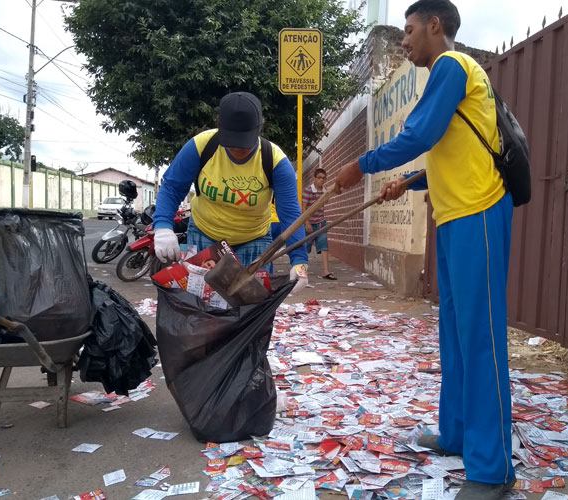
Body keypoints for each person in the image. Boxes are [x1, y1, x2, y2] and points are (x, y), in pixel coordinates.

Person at [334, 1, 514, 498]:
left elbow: (420, 134)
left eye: (410, 31)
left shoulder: (452, 66)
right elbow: (448, 148)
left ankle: (492, 470)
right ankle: (456, 434)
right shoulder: (445, 75)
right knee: (455, 333)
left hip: (479, 212)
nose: (405, 41)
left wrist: (362, 167)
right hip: (456, 217)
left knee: (480, 338)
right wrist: (410, 182)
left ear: (436, 25)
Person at [152, 92, 309, 293]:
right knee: (202, 304)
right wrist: (163, 226)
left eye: (244, 141)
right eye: (231, 141)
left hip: (254, 241)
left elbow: (290, 214)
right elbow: (173, 187)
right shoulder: (201, 146)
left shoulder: (274, 160)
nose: (237, 149)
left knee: (250, 306)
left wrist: (300, 261)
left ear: (259, 128)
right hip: (205, 235)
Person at [302, 168, 336, 280]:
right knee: (305, 248)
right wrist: (307, 223)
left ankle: (326, 271)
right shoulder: (308, 190)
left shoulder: (324, 191)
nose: (321, 180)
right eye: (319, 178)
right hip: (309, 223)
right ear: (314, 179)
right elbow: (303, 208)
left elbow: (325, 202)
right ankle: (302, 271)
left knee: (324, 246)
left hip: (320, 222)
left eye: (323, 178)